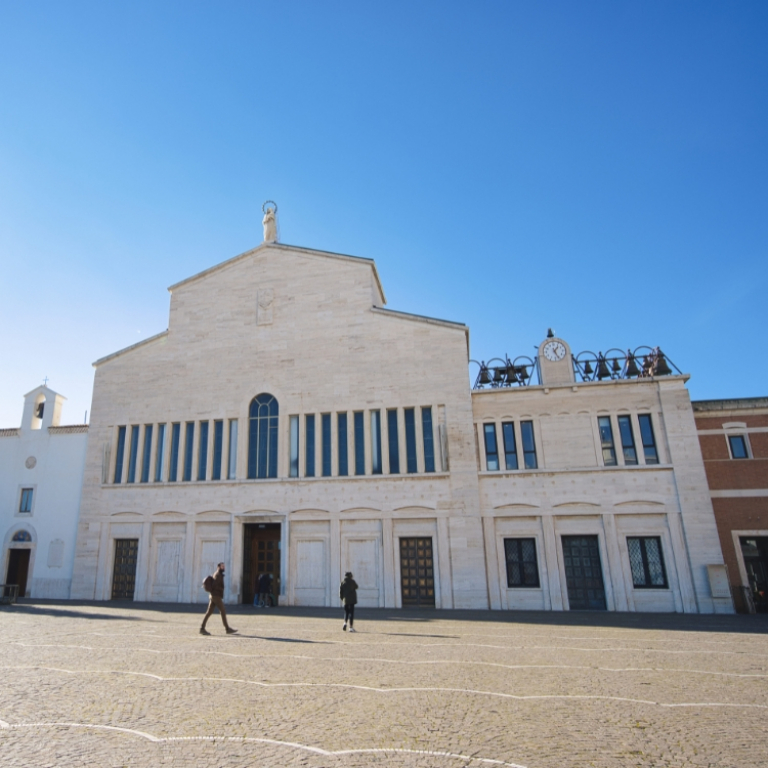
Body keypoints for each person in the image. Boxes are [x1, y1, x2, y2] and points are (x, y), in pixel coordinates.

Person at [200, 562, 237, 635]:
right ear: (218, 567)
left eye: (224, 566)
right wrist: (221, 589)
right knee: (222, 610)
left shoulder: (219, 574)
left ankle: (202, 628)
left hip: (213, 595)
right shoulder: (218, 575)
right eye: (222, 566)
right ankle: (227, 629)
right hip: (216, 596)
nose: (224, 568)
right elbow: (214, 586)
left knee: (209, 612)